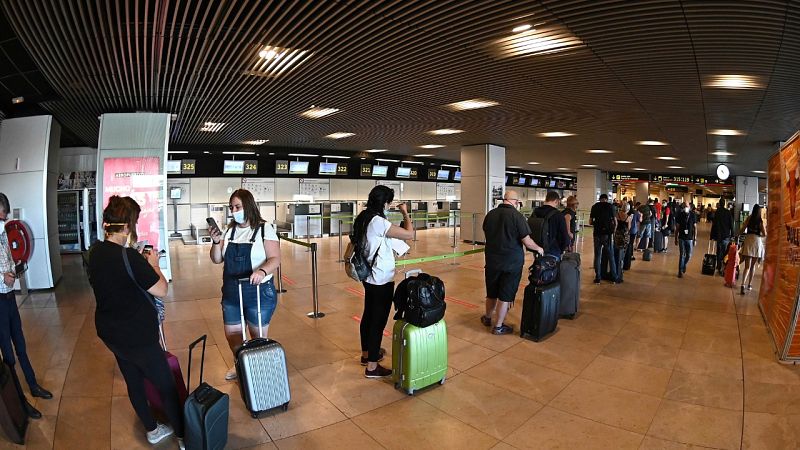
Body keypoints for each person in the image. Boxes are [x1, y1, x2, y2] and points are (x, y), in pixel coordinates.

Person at [87, 196, 183, 446]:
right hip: (138, 336)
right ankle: (184, 436)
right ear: (128, 226)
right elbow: (161, 290)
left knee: (133, 379)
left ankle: (152, 429)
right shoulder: (130, 257)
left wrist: (137, 261)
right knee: (166, 385)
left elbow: (115, 281)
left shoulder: (94, 252)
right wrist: (154, 265)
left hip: (111, 333)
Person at [208, 189, 281, 381]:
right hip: (232, 291)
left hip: (257, 291)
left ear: (248, 206)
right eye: (231, 207)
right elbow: (217, 259)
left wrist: (262, 271)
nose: (234, 211)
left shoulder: (265, 229)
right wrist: (216, 243)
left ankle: (260, 369)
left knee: (257, 335)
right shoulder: (229, 230)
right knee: (233, 334)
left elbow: (275, 259)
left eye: (237, 206)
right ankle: (240, 363)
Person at [351, 185, 413, 377]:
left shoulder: (363, 217)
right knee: (378, 319)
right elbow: (409, 234)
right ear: (385, 202)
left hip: (367, 275)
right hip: (380, 276)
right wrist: (405, 213)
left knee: (368, 314)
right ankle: (372, 367)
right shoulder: (378, 221)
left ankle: (367, 353)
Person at [0, 193, 51, 420]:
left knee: (21, 345)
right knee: (8, 355)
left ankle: (33, 385)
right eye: (2, 213)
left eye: (6, 213)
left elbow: (8, 261)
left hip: (10, 300)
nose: (5, 218)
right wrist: (3, 278)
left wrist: (15, 269)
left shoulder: (2, 235)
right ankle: (19, 401)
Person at [481, 190, 544, 335]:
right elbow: (527, 242)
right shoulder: (517, 216)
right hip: (511, 263)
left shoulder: (490, 215)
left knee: (491, 292)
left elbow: (487, 232)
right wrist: (539, 248)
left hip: (492, 260)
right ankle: (498, 326)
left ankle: (488, 318)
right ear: (515, 202)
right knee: (505, 294)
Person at [531, 191, 570, 257]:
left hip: (537, 248)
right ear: (556, 201)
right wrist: (562, 249)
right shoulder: (558, 215)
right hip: (553, 249)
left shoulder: (535, 212)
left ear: (546, 199)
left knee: (539, 266)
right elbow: (564, 236)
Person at [590, 194, 618, 284]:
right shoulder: (611, 206)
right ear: (606, 199)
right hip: (607, 235)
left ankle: (598, 277)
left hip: (597, 234)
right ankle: (614, 277)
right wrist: (613, 231)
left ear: (600, 199)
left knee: (597, 255)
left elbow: (590, 221)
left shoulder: (594, 206)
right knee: (611, 256)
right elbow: (615, 221)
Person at [739, 204, 766, 295]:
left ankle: (742, 284)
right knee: (752, 266)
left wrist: (738, 234)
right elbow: (764, 234)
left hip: (748, 241)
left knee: (747, 266)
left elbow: (742, 229)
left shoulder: (749, 218)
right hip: (756, 242)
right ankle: (749, 284)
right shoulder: (760, 221)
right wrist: (759, 235)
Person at [711, 200, 735, 276]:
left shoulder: (717, 212)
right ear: (724, 204)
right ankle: (723, 267)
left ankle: (718, 267)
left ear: (719, 204)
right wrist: (733, 234)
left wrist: (712, 235)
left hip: (719, 235)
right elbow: (731, 224)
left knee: (718, 251)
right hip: (726, 235)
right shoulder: (728, 213)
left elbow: (714, 224)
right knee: (725, 252)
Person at [675, 201, 698, 278]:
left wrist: (695, 239)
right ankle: (680, 271)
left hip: (690, 238)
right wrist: (676, 238)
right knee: (682, 255)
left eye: (687, 206)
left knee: (689, 255)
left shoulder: (693, 215)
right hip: (681, 238)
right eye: (684, 206)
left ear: (690, 207)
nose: (685, 207)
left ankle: (684, 264)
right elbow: (677, 228)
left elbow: (695, 228)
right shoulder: (680, 215)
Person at [613, 204, 632, 283]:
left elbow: (615, 225)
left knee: (616, 250)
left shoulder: (617, 215)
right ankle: (621, 267)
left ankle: (615, 266)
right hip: (625, 235)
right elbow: (629, 228)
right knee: (623, 252)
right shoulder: (628, 217)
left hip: (617, 234)